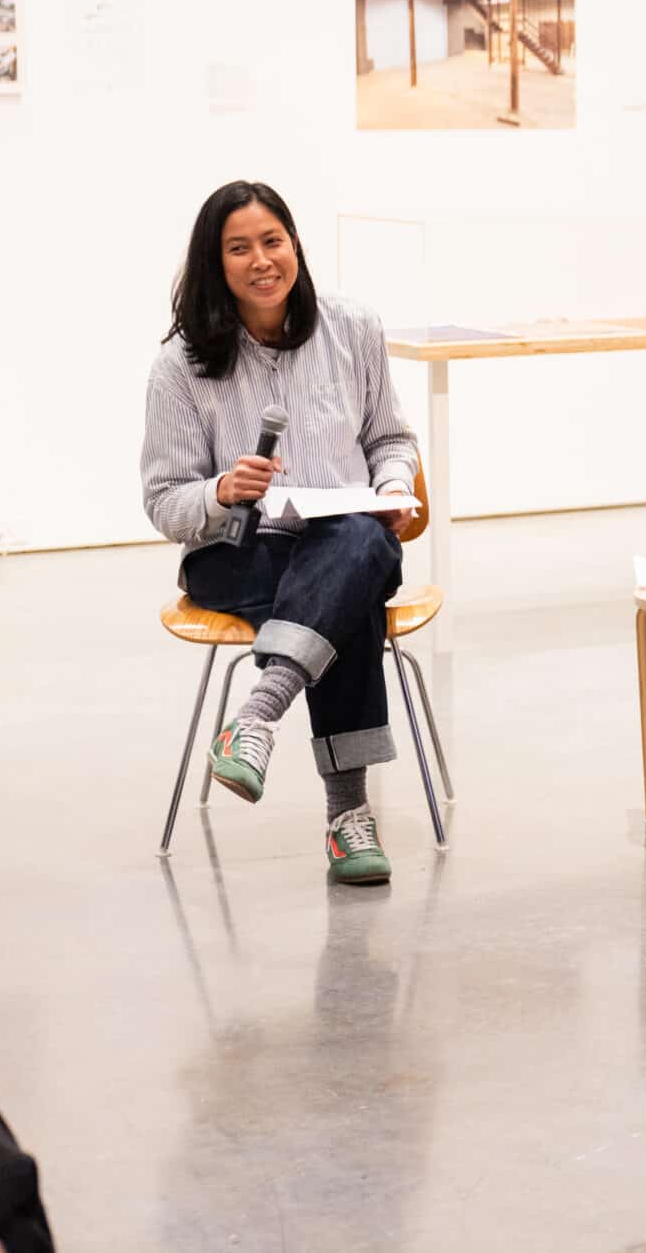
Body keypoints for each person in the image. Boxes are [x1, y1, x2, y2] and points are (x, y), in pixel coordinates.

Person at [142, 181, 418, 884]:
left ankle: (257, 718)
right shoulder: (180, 365)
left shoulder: (352, 327)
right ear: (215, 263)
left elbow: (390, 439)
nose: (262, 260)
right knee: (352, 592)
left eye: (273, 241)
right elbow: (164, 501)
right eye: (239, 248)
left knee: (356, 548)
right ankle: (348, 816)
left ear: (295, 243)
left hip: (342, 537)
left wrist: (392, 487)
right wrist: (220, 489)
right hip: (238, 553)